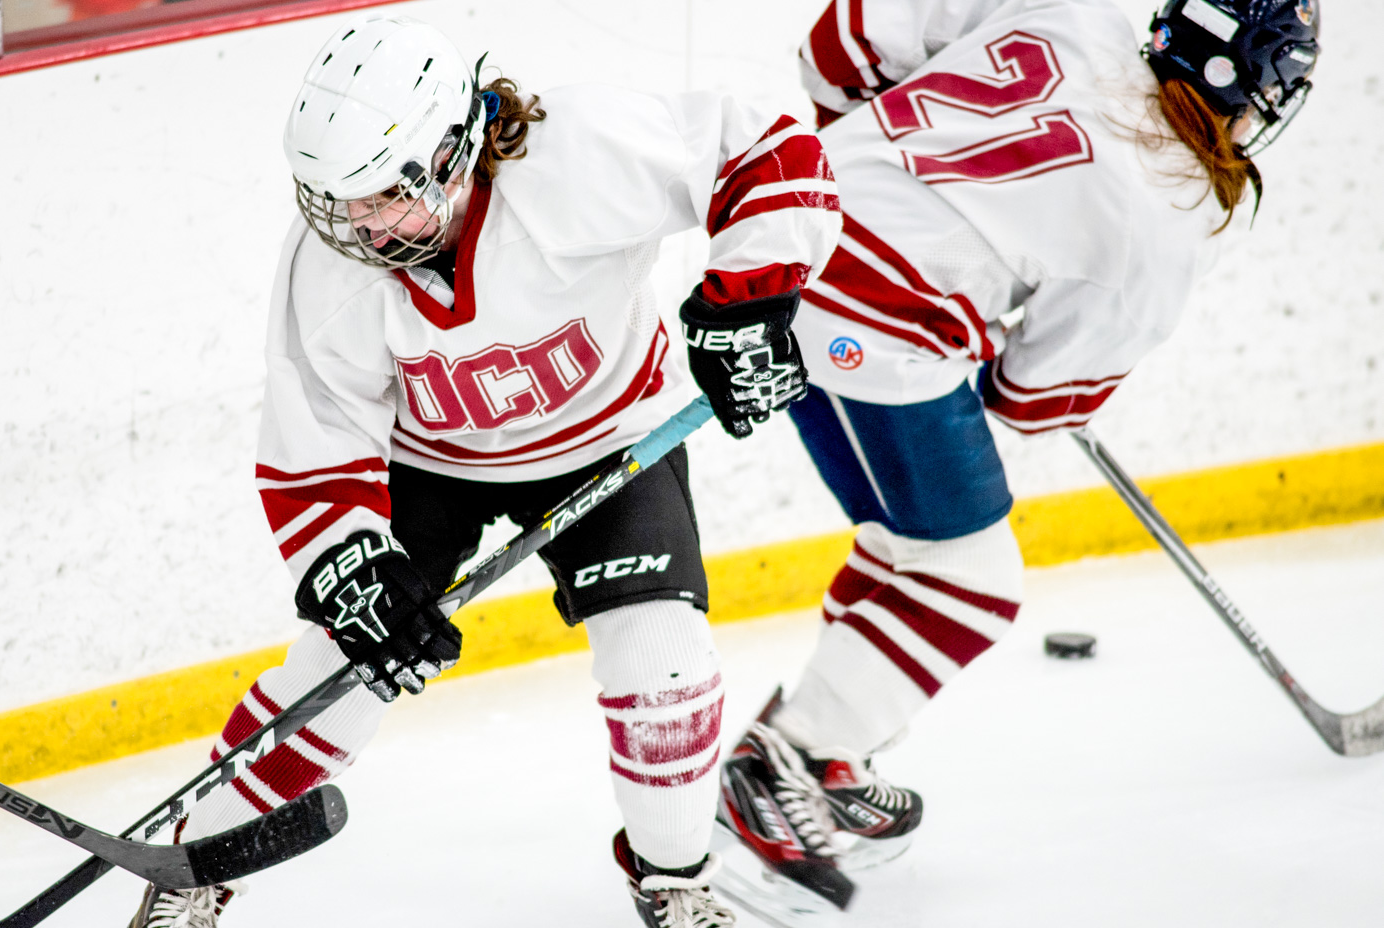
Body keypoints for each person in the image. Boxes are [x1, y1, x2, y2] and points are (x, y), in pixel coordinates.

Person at [125, 15, 843, 928]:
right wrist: (351, 565)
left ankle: (674, 879)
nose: (359, 227)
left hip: (610, 441)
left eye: (383, 196)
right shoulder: (328, 269)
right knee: (341, 664)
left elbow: (766, 152)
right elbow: (319, 440)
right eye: (338, 203)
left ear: (456, 148)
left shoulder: (578, 155)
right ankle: (193, 869)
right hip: (432, 467)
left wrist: (748, 300)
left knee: (663, 666)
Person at [712, 0, 1321, 914]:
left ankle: (829, 755)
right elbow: (1032, 398)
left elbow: (838, 45)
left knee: (909, 538)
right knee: (973, 575)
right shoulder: (1174, 215)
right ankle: (777, 774)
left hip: (768, 251)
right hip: (870, 330)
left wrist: (869, 178)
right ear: (1255, 90)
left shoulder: (1071, 10)